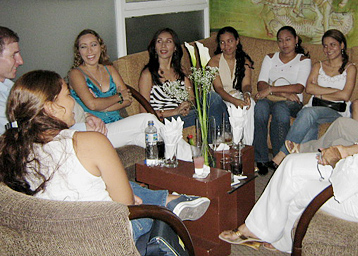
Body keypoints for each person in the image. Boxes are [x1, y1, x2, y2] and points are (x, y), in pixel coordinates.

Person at [219, 43, 358, 252]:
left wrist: (335, 160)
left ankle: (270, 236)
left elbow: (357, 175)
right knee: (291, 165)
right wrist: (347, 150)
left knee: (296, 185)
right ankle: (269, 233)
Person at [0, 70, 211, 249]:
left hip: (57, 240)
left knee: (106, 180)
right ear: (51, 107)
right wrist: (135, 201)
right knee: (131, 195)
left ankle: (168, 199)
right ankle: (167, 201)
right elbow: (126, 205)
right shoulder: (90, 142)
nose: (73, 100)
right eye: (67, 94)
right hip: (106, 237)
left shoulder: (14, 149)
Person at [0, 26, 106, 137]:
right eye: (13, 55)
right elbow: (28, 134)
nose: (20, 61)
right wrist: (84, 128)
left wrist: (87, 116)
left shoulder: (11, 86)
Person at [273, 29, 356, 165]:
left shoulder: (350, 68)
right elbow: (310, 88)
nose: (328, 49)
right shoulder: (318, 65)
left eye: (332, 45)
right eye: (325, 45)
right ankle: (302, 165)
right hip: (315, 106)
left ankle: (283, 154)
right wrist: (334, 91)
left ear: (342, 46)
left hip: (336, 111)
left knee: (307, 112)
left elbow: (345, 95)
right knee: (309, 124)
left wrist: (322, 93)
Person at [253, 26, 311, 175]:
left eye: (288, 39)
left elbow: (299, 87)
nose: (284, 44)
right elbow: (261, 84)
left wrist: (271, 90)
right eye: (280, 41)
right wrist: (284, 94)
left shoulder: (303, 60)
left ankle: (280, 160)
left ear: (296, 40)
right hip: (275, 98)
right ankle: (261, 159)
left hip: (292, 103)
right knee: (260, 108)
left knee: (280, 110)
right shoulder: (270, 58)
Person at [138, 28, 197, 127]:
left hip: (183, 116)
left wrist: (187, 106)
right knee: (207, 113)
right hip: (163, 121)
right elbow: (144, 111)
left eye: (168, 41)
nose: (163, 45)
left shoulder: (180, 71)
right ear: (155, 47)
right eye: (159, 41)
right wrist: (174, 111)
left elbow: (192, 99)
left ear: (175, 48)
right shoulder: (148, 74)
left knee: (212, 99)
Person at [208, 26, 255, 145]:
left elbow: (246, 85)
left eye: (230, 41)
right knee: (236, 106)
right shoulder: (214, 62)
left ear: (237, 41)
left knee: (250, 104)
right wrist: (234, 101)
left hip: (236, 96)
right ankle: (232, 143)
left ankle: (246, 144)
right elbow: (218, 89)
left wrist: (247, 94)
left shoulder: (244, 61)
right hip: (218, 100)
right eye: (222, 42)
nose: (226, 45)